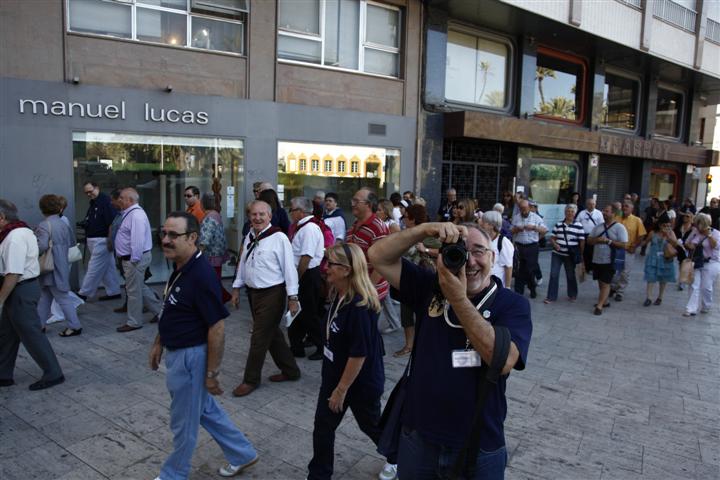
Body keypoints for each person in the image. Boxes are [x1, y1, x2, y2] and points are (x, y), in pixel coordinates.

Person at [368, 221, 532, 479]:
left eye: (478, 251)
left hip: (478, 443)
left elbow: (503, 361)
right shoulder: (431, 287)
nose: (470, 261)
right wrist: (424, 229)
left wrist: (458, 298)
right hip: (420, 437)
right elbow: (378, 256)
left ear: (493, 257)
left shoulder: (512, 304)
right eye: (461, 252)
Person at [149, 212, 258, 480]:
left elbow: (217, 327)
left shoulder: (201, 275)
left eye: (173, 235)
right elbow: (172, 308)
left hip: (190, 359)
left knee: (183, 422)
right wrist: (159, 342)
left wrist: (211, 373)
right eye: (164, 233)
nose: (165, 240)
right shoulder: (181, 266)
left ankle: (173, 475)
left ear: (193, 238)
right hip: (178, 353)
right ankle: (242, 453)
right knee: (205, 410)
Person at [307, 242, 389, 480]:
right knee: (323, 427)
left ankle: (399, 457)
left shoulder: (360, 307)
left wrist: (341, 390)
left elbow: (358, 354)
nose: (325, 267)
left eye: (331, 263)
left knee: (370, 425)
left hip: (359, 383)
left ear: (346, 270)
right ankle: (318, 476)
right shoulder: (339, 294)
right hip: (334, 375)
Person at [230, 201, 301, 397]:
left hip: (273, 294)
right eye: (254, 214)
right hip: (253, 294)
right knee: (272, 335)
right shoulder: (250, 235)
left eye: (262, 214)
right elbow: (242, 264)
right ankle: (291, 371)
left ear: (270, 216)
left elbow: (289, 269)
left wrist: (293, 297)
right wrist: (236, 288)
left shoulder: (279, 238)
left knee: (259, 338)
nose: (257, 218)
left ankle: (250, 380)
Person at [0, 199, 65, 390]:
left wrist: (0, 300)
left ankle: (53, 373)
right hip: (18, 288)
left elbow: (13, 273)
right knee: (7, 334)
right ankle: (3, 374)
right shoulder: (15, 232)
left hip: (20, 289)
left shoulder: (15, 237)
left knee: (31, 333)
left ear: (2, 217)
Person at [346, 188, 398, 334]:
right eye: (353, 200)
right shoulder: (355, 224)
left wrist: (367, 290)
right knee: (356, 332)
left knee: (365, 333)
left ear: (368, 205)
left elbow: (382, 264)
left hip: (368, 292)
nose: (352, 204)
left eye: (356, 201)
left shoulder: (378, 228)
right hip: (355, 288)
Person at [114, 188, 162, 332]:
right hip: (132, 259)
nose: (119, 200)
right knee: (139, 287)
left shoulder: (136, 215)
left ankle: (134, 322)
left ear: (130, 200)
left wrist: (133, 260)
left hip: (134, 259)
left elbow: (137, 240)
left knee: (133, 291)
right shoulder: (130, 213)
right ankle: (160, 313)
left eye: (122, 198)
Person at [35, 195, 83, 337]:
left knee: (61, 298)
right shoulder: (63, 223)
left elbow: (42, 246)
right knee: (46, 297)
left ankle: (75, 326)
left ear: (42, 208)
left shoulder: (44, 225)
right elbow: (71, 242)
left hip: (50, 266)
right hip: (61, 263)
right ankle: (39, 325)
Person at [288, 197, 326, 361]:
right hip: (304, 275)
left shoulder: (309, 228)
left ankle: (322, 346)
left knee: (309, 314)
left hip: (307, 275)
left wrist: (295, 279)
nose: (290, 213)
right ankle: (296, 346)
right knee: (297, 314)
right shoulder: (303, 227)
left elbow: (306, 257)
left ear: (300, 212)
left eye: (291, 210)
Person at [394, 204, 434, 357]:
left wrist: (426, 249)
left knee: (424, 313)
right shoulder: (405, 234)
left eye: (406, 217)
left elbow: (442, 250)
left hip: (423, 279)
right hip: (406, 277)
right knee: (406, 313)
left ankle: (424, 344)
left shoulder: (427, 233)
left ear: (412, 218)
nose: (403, 219)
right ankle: (409, 345)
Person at [77, 181, 122, 302]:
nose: (88, 194)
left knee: (94, 267)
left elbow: (112, 223)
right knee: (108, 268)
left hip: (102, 240)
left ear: (97, 188)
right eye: (86, 193)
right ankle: (114, 291)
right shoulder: (94, 202)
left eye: (90, 191)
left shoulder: (106, 201)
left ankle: (83, 293)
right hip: (95, 239)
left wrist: (110, 240)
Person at [587, 205, 628, 315]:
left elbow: (624, 244)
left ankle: (599, 306)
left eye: (606, 211)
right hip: (597, 259)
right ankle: (605, 301)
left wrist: (608, 241)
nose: (604, 213)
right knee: (600, 281)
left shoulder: (620, 227)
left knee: (606, 282)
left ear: (613, 213)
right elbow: (589, 240)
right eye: (603, 210)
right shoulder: (598, 227)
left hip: (610, 260)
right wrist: (597, 240)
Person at [544, 204, 585, 304]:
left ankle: (572, 294)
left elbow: (582, 241)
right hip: (557, 254)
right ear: (565, 212)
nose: (570, 213)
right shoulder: (558, 224)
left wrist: (581, 254)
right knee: (553, 274)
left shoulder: (578, 225)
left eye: (572, 211)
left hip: (570, 256)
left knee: (570, 275)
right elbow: (552, 238)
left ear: (575, 213)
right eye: (568, 211)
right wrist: (555, 244)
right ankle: (551, 297)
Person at [683, 213, 720, 316]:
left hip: (711, 262)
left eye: (698, 225)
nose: (696, 227)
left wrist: (709, 235)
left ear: (704, 224)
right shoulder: (695, 232)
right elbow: (688, 243)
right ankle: (691, 308)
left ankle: (706, 305)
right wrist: (690, 245)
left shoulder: (716, 233)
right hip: (697, 261)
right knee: (694, 284)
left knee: (706, 287)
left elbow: (715, 246)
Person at [610, 201, 647, 302]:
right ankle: (612, 288)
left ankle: (620, 292)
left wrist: (635, 246)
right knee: (614, 271)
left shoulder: (637, 220)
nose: (624, 208)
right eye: (623, 206)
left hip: (628, 250)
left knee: (625, 273)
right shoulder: (616, 218)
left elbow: (641, 235)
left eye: (627, 206)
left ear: (632, 209)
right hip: (616, 249)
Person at [198, 193, 231, 304]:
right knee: (215, 280)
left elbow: (204, 240)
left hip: (211, 255)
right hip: (218, 254)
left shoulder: (209, 218)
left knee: (212, 281)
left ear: (202, 204)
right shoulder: (216, 214)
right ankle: (224, 297)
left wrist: (197, 255)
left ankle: (220, 300)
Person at [511, 199, 547, 298]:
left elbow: (544, 230)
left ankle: (532, 287)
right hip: (519, 246)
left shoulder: (536, 217)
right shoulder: (516, 217)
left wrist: (534, 228)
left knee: (529, 269)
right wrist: (517, 229)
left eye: (525, 208)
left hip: (532, 247)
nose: (523, 211)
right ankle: (519, 292)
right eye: (521, 208)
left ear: (529, 207)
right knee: (518, 269)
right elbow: (511, 231)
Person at [643, 214, 677, 306]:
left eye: (668, 225)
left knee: (663, 278)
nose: (666, 227)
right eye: (664, 225)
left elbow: (675, 244)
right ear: (659, 225)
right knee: (650, 277)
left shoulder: (671, 233)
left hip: (665, 258)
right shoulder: (653, 233)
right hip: (653, 258)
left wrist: (667, 236)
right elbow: (645, 242)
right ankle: (649, 297)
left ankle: (660, 297)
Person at [480, 210, 514, 288]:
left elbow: (508, 267)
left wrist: (507, 287)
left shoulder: (503, 242)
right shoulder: (484, 238)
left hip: (497, 285)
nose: (480, 223)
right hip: (484, 284)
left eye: (483, 222)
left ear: (491, 225)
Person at [576, 198, 604, 274]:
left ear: (595, 204)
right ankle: (586, 267)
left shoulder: (598, 213)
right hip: (583, 235)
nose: (592, 206)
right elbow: (577, 223)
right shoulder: (582, 213)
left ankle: (592, 268)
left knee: (593, 251)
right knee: (584, 251)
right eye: (590, 204)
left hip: (594, 236)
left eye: (593, 204)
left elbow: (601, 225)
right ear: (586, 204)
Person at [674, 210, 695, 290]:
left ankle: (682, 281)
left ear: (691, 218)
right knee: (681, 263)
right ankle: (682, 279)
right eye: (684, 216)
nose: (685, 217)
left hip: (688, 249)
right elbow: (674, 234)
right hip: (679, 248)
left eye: (687, 216)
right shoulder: (679, 227)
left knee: (685, 264)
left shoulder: (693, 229)